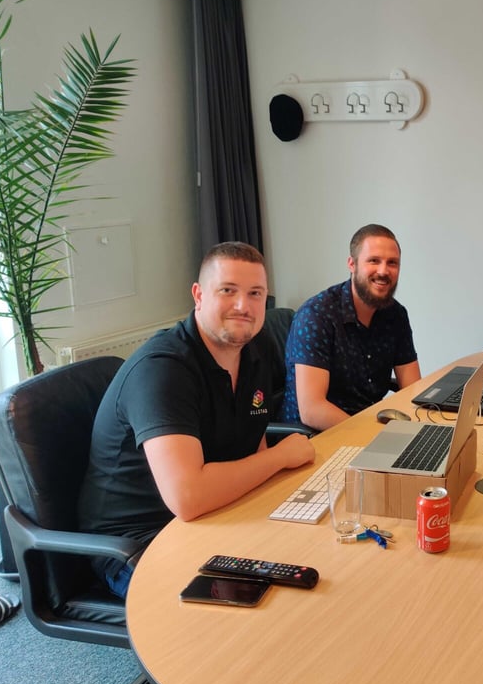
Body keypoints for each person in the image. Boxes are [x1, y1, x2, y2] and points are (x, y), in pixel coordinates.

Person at [78, 242, 316, 597]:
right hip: (140, 543)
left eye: (255, 294)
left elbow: (252, 443)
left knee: (309, 563)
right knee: (249, 611)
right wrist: (281, 458)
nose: (243, 306)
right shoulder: (163, 370)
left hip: (212, 519)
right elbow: (187, 497)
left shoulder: (255, 349)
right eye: (228, 291)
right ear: (198, 295)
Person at [280, 224, 421, 431]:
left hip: (368, 426)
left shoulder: (396, 314)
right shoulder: (317, 315)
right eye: (373, 260)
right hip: (316, 438)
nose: (383, 271)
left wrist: (423, 425)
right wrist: (372, 435)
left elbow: (412, 387)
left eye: (392, 263)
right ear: (352, 264)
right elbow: (312, 410)